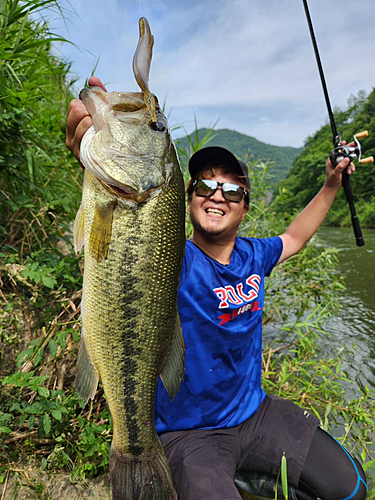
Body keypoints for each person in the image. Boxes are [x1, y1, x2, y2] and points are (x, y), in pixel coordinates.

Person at [66, 76, 367, 500]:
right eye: (204, 186)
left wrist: (332, 183)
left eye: (231, 189)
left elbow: (296, 237)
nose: (216, 195)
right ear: (186, 200)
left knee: (350, 488)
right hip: (191, 435)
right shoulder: (174, 258)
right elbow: (122, 238)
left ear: (245, 206)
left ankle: (251, 478)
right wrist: (89, 152)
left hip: (255, 415)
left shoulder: (254, 256)